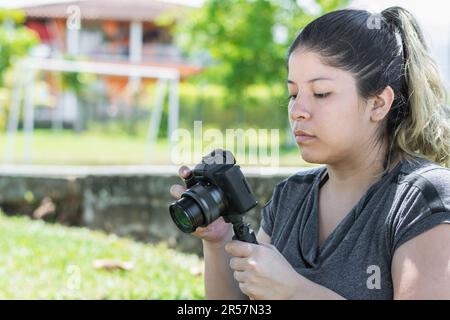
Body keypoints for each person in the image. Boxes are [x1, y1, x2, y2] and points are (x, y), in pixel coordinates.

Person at [169, 6, 450, 299]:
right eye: (293, 94)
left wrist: (295, 292)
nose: (298, 111)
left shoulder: (423, 199)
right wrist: (217, 240)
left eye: (321, 93)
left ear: (378, 104)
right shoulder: (292, 196)